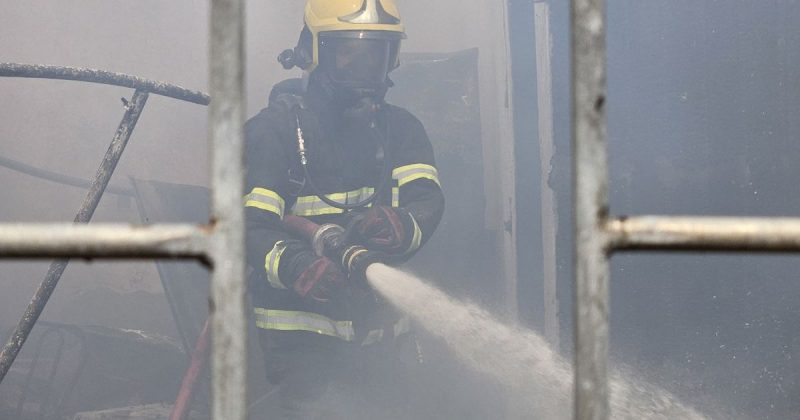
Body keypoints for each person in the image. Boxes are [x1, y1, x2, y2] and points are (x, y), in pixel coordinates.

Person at [243, 0, 445, 417]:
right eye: (348, 52)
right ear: (312, 51)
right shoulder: (273, 133)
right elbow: (247, 226)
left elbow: (427, 199)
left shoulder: (401, 130)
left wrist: (405, 224)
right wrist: (296, 264)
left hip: (384, 339)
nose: (364, 68)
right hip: (302, 343)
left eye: (377, 54)